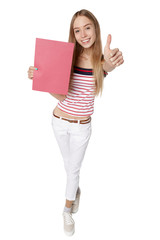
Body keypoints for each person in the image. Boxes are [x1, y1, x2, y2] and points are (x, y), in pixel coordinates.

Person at [28, 9, 124, 236]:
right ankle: (75, 191)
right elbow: (62, 96)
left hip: (82, 126)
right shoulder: (66, 57)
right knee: (69, 166)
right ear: (73, 34)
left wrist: (111, 61)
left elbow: (107, 67)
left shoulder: (100, 60)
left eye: (87, 27)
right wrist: (38, 76)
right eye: (77, 30)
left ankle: (66, 210)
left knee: (73, 169)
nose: (83, 34)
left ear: (95, 28)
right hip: (58, 121)